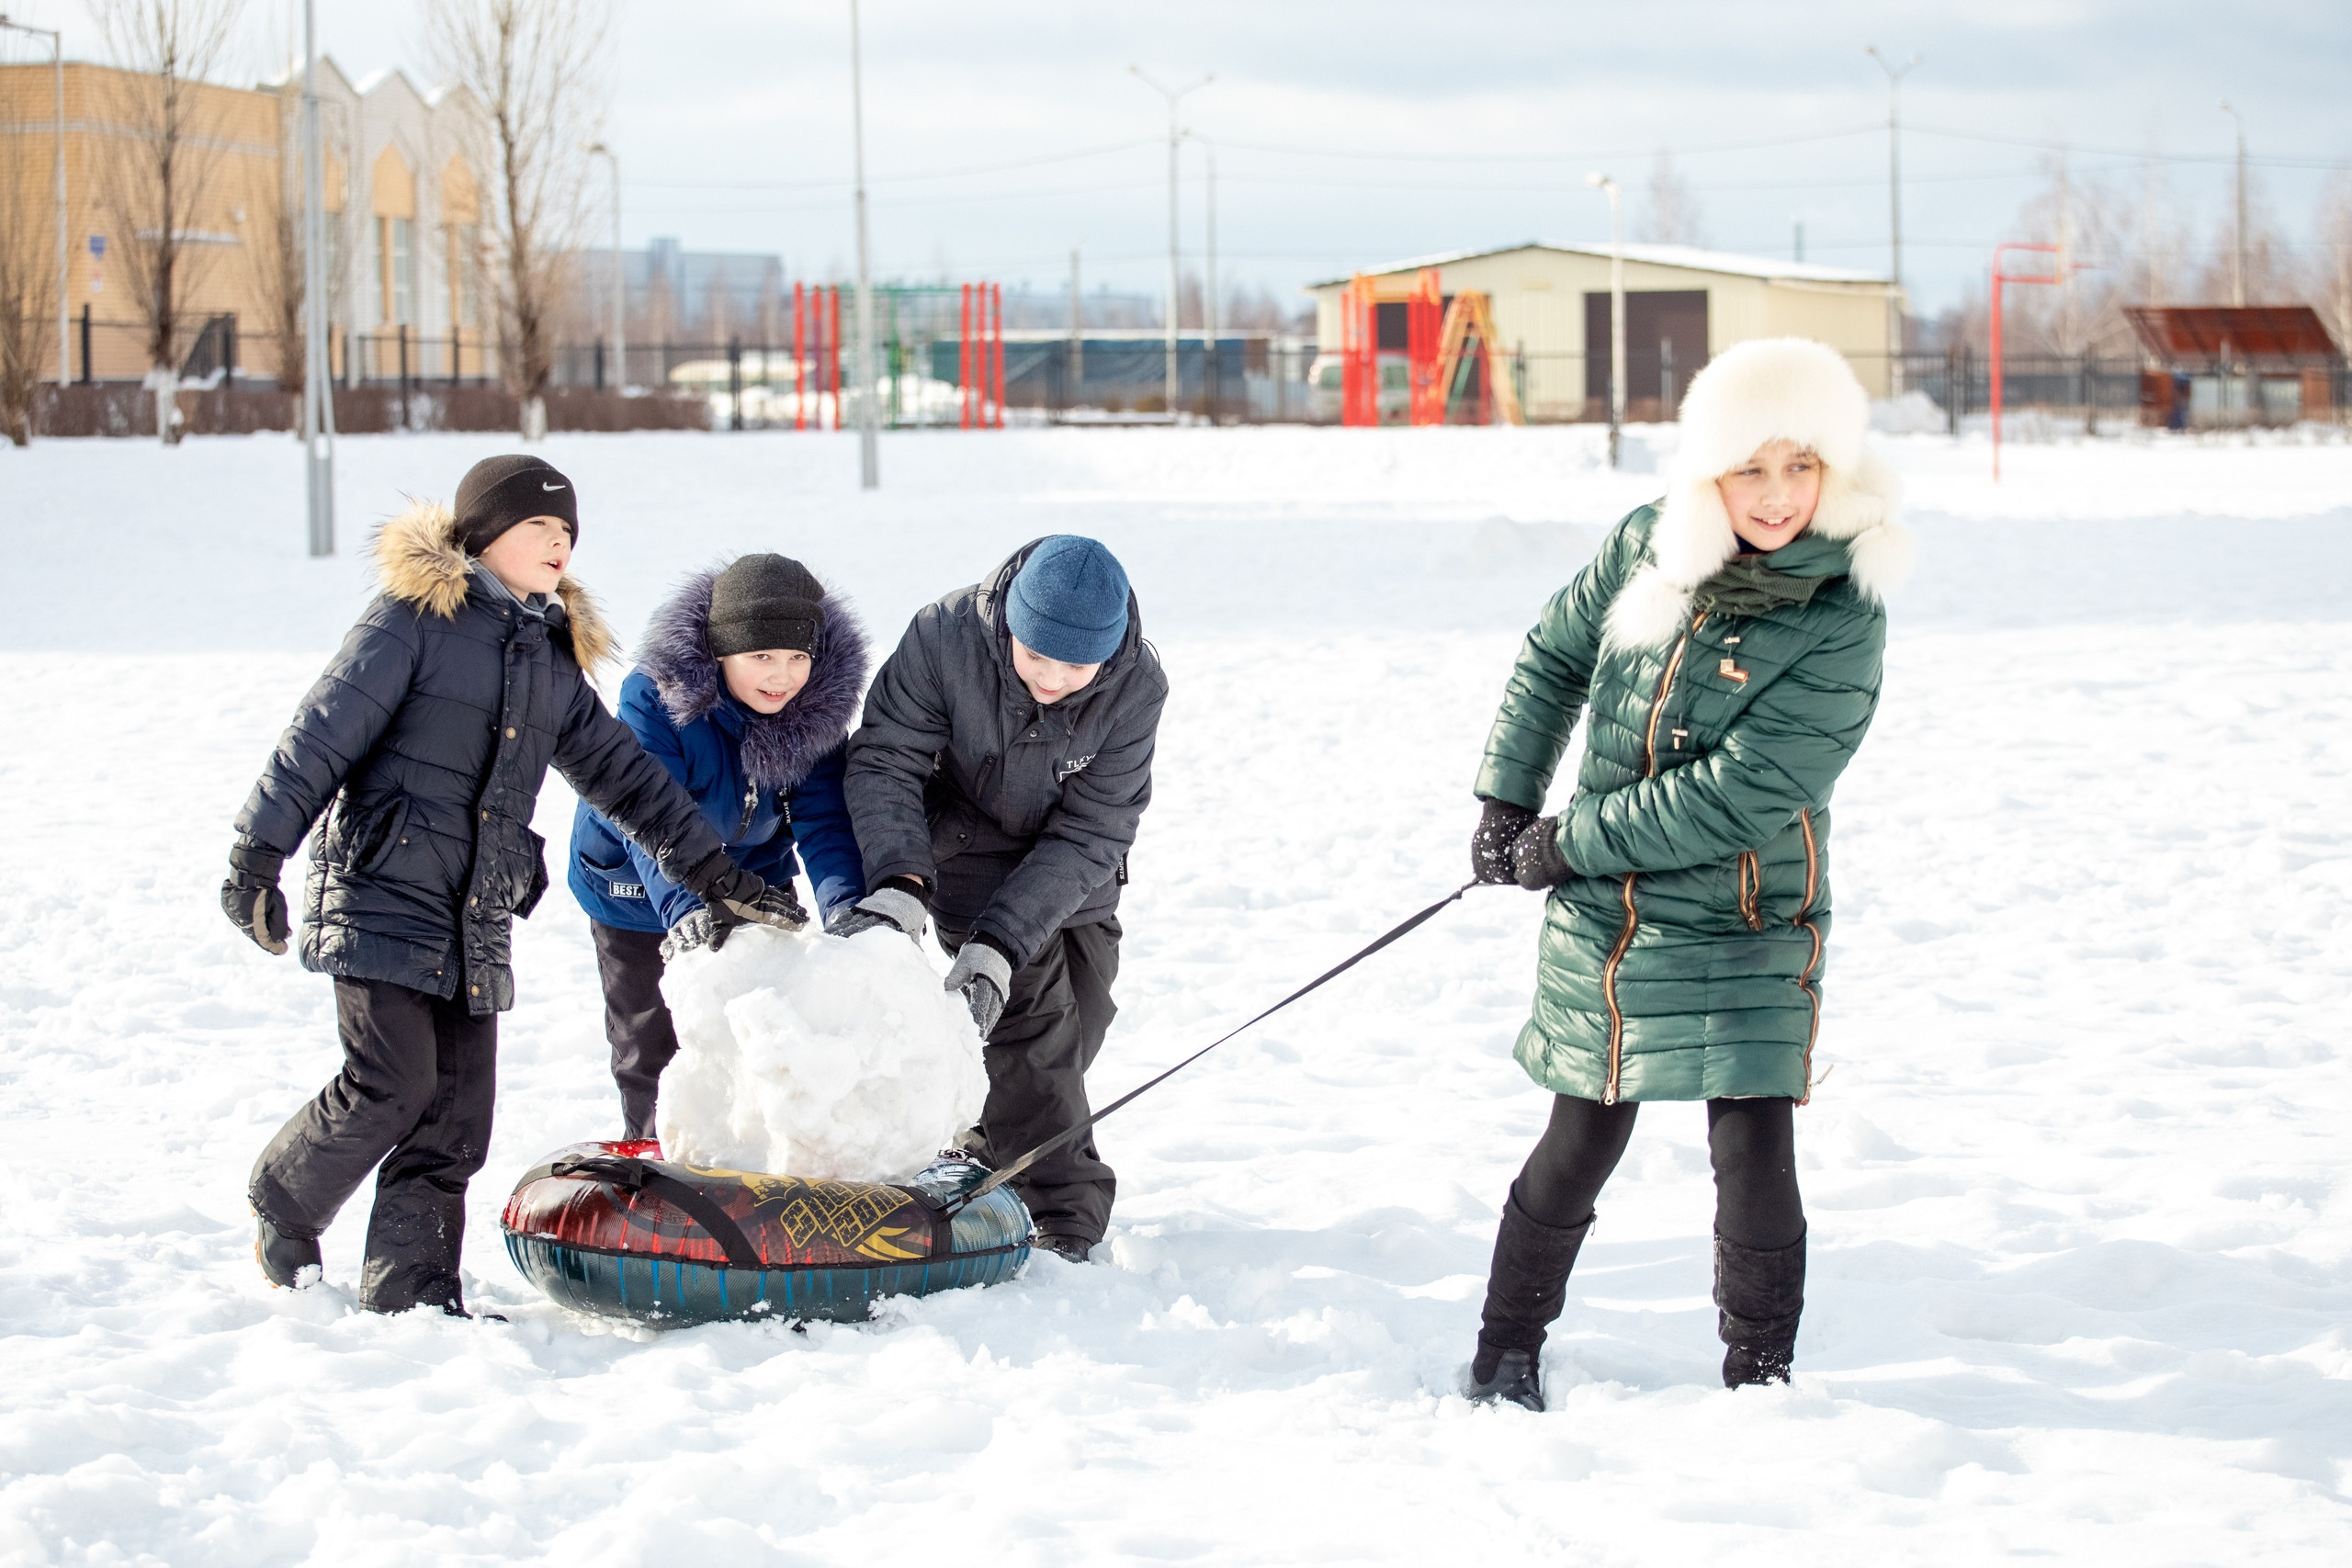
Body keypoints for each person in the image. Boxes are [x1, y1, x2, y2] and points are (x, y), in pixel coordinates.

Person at [223, 455, 800, 1315]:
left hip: (475, 912)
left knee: (458, 1114)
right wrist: (255, 856)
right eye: (540, 526)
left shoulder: (547, 657)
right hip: (384, 889)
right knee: (391, 1081)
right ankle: (285, 1198)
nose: (559, 544)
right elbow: (320, 735)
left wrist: (716, 874)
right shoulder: (411, 622)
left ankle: (413, 1292)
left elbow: (630, 781)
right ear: (486, 533)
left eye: (568, 531)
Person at [1461, 339, 1914, 1408]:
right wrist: (1506, 796)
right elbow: (1555, 656)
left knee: (1754, 1145)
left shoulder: (1842, 614)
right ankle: (1504, 1347)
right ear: (1708, 470)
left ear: (1834, 470)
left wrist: (1569, 841)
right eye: (1749, 468)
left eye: (1800, 466)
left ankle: (1761, 1377)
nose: (1774, 495)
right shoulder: (1648, 546)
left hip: (1748, 914)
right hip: (1612, 915)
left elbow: (1742, 793)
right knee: (1577, 1140)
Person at [836, 536, 1166, 1263]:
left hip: (1070, 865)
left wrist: (1004, 942)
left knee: (1082, 1020)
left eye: (1075, 666)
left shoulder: (1138, 685)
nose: (1051, 680)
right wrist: (899, 883)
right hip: (959, 848)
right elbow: (885, 757)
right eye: (1036, 656)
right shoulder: (942, 637)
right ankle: (1065, 1210)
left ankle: (986, 1143)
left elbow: (1097, 825)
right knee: (1033, 1033)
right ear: (1008, 625)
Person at [568, 553, 869, 1138]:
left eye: (796, 658)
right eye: (761, 657)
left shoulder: (812, 710)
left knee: (761, 1035)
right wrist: (685, 906)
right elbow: (649, 813)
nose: (781, 677)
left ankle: (754, 1175)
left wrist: (844, 906)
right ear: (721, 653)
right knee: (653, 1044)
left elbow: (824, 820)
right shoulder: (657, 700)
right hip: (641, 879)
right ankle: (656, 1166)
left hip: (752, 873)